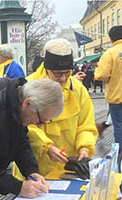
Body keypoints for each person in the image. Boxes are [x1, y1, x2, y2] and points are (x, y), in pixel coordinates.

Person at [13, 39, 98, 179]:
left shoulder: (78, 90)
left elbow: (86, 125)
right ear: (47, 69)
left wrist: (85, 147)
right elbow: (24, 126)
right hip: (34, 166)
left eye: (67, 72)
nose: (63, 78)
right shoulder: (28, 86)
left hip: (67, 167)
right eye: (58, 73)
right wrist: (47, 147)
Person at [94, 25, 122, 162]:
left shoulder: (110, 53)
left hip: (117, 96)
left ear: (111, 38)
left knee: (119, 125)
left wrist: (97, 72)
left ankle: (121, 154)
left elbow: (101, 75)